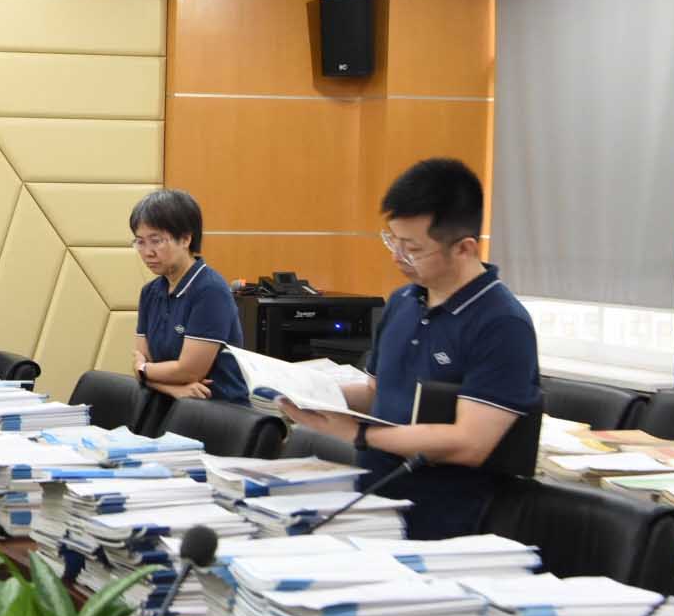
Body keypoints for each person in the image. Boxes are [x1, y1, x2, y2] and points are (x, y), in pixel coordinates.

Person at [280, 158, 541, 540]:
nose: (396, 257)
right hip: (372, 507)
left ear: (464, 248)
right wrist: (307, 393)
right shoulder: (403, 301)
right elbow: (377, 393)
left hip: (446, 526)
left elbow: (469, 443)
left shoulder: (502, 323)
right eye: (393, 241)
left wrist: (359, 435)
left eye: (413, 248)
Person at [129, 188, 248, 404]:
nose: (147, 252)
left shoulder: (210, 290)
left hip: (217, 411)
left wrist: (144, 369)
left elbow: (189, 371)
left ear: (185, 239)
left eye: (156, 240)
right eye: (140, 242)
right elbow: (142, 366)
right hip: (168, 405)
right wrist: (173, 389)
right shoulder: (150, 292)